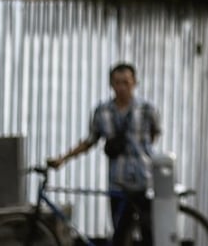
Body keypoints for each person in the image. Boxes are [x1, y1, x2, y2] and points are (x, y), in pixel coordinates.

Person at [48, 62, 161, 243]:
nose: (122, 87)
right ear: (111, 84)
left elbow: (155, 134)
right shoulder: (102, 111)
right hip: (117, 181)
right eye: (117, 82)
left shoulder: (147, 109)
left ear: (135, 83)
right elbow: (90, 141)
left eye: (126, 82)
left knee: (149, 232)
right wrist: (63, 158)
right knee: (120, 232)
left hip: (144, 180)